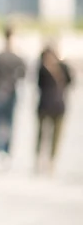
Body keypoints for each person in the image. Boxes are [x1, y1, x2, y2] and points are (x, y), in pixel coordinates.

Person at [0, 27, 26, 169]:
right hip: (11, 92)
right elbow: (23, 74)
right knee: (9, 123)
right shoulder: (17, 57)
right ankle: (6, 151)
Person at [35, 46, 73, 174]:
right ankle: (39, 159)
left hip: (58, 106)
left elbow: (71, 82)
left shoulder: (63, 67)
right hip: (46, 106)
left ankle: (51, 161)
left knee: (55, 137)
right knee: (42, 135)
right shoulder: (42, 69)